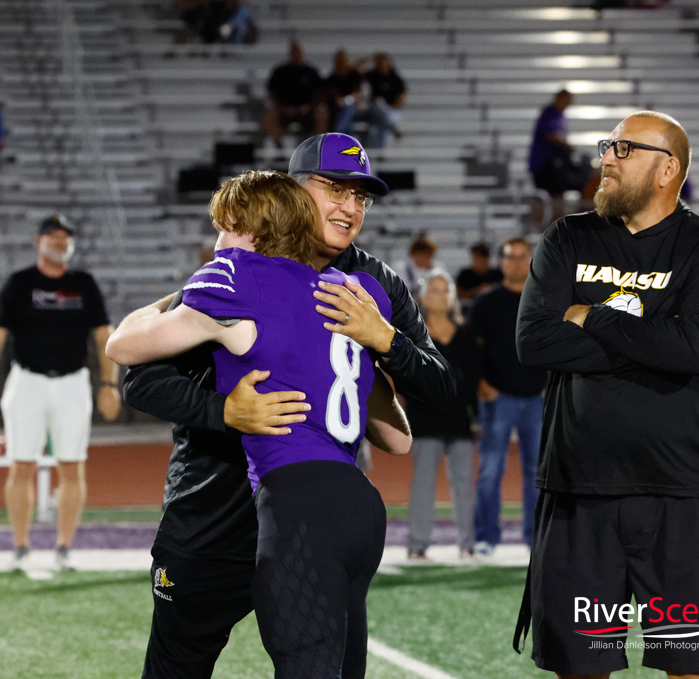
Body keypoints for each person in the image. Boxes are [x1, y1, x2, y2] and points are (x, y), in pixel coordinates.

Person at [121, 132, 454, 679]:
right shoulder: (241, 262)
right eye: (333, 187)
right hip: (214, 515)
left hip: (312, 511)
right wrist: (224, 411)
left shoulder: (375, 283)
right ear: (292, 190)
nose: (349, 206)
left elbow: (439, 390)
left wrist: (386, 340)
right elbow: (140, 381)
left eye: (360, 196)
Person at [514, 111, 699, 677]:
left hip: (687, 496)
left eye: (624, 148)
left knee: (696, 667)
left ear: (668, 169)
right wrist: (657, 337)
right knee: (580, 667)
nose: (606, 158)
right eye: (607, 146)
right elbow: (534, 343)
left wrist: (588, 316)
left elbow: (698, 347)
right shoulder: (567, 237)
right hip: (580, 493)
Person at [0, 214, 121, 572]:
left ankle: (64, 547)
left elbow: (105, 337)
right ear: (38, 241)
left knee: (72, 466)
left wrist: (109, 384)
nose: (59, 241)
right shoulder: (19, 283)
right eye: (53, 236)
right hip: (27, 382)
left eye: (64, 236)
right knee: (21, 464)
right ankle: (21, 546)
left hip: (72, 382)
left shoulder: (84, 284)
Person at [469, 236, 546, 556]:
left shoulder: (545, 300)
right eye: (509, 257)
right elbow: (470, 349)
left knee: (539, 474)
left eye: (521, 256)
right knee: (490, 470)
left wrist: (550, 383)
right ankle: (486, 537)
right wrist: (480, 385)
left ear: (531, 259)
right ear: (502, 262)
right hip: (497, 398)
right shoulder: (486, 302)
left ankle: (536, 539)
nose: (515, 262)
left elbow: (558, 344)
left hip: (538, 398)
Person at [405, 270, 481, 562]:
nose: (439, 295)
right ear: (423, 297)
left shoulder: (466, 332)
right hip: (425, 418)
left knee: (464, 485)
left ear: (452, 297)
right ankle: (417, 545)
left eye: (444, 290)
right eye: (434, 290)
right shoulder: (413, 334)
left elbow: (473, 377)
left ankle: (467, 546)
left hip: (459, 419)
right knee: (423, 484)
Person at [261, 41, 327, 148]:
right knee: (269, 116)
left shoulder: (311, 71)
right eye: (294, 51)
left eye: (299, 51)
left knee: (322, 113)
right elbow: (271, 92)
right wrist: (282, 108)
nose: (296, 54)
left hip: (307, 112)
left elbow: (320, 93)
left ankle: (317, 147)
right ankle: (279, 147)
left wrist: (308, 107)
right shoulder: (280, 71)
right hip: (284, 111)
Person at [528, 89, 589, 198]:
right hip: (544, 165)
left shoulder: (560, 116)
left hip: (556, 166)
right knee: (548, 195)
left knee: (559, 192)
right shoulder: (549, 113)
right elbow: (550, 135)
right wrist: (566, 145)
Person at [364, 52, 406, 148]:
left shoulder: (395, 78)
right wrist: (369, 58)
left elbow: (402, 95)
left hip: (390, 110)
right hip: (374, 108)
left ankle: (381, 152)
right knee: (379, 102)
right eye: (380, 62)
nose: (383, 65)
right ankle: (394, 128)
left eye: (385, 62)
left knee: (383, 125)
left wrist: (395, 106)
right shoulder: (372, 75)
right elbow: (356, 71)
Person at [325, 48, 365, 136]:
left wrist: (346, 100)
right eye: (339, 60)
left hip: (353, 109)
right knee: (344, 116)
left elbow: (357, 95)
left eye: (344, 60)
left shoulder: (354, 76)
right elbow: (333, 97)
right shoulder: (331, 79)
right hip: (337, 110)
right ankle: (343, 137)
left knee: (348, 110)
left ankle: (338, 133)